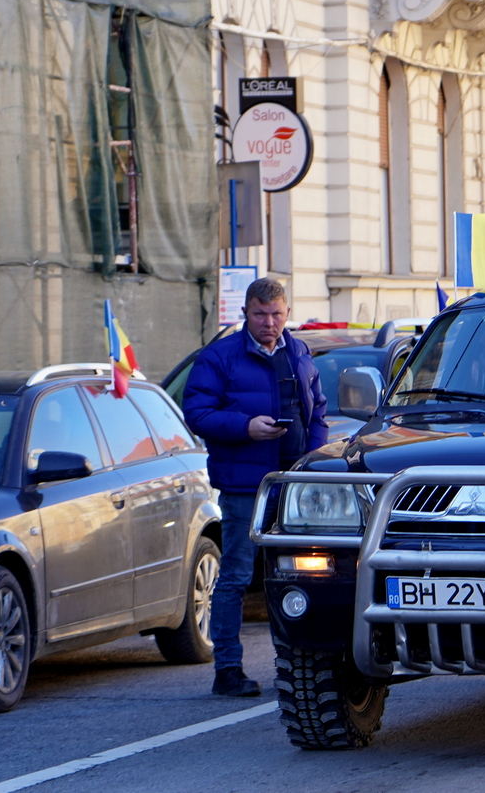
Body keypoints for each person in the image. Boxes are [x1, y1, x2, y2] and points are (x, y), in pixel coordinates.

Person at [181, 276, 327, 697]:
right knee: (236, 577)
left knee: (307, 574)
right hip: (246, 485)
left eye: (277, 314)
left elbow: (317, 410)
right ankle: (227, 669)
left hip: (295, 487)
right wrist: (246, 427)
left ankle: (308, 664)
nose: (269, 323)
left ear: (287, 313)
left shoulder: (298, 350)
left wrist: (312, 462)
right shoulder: (220, 356)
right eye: (261, 314)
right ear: (245, 312)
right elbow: (197, 413)